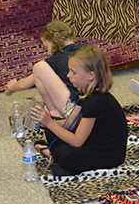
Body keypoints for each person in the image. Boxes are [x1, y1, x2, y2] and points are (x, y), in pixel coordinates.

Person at [30, 46, 128, 176]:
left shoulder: (96, 100)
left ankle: (51, 155)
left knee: (65, 154)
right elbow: (71, 123)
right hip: (93, 141)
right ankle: (52, 153)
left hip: (109, 156)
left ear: (91, 75)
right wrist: (47, 122)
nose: (68, 75)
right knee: (50, 131)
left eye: (74, 72)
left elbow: (77, 141)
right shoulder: (86, 92)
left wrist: (50, 123)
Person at [5, 20, 87, 118]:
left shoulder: (56, 59)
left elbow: (23, 85)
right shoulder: (87, 48)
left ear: (54, 40)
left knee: (39, 68)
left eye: (46, 47)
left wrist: (11, 87)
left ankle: (54, 113)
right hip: (91, 103)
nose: (47, 53)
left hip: (72, 108)